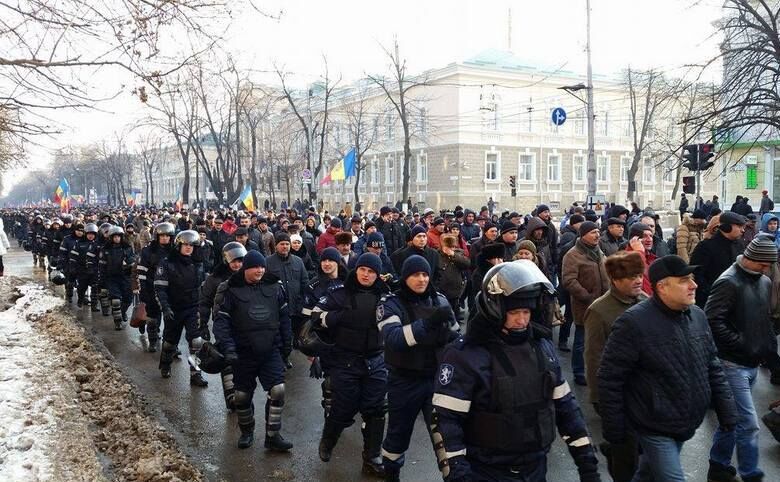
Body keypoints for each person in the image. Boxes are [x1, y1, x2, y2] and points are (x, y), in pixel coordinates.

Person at [431, 261, 602, 482]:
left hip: (536, 468)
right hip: (485, 471)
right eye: (513, 312)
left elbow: (566, 408)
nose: (522, 320)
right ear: (495, 309)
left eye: (526, 311)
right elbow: (446, 421)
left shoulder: (541, 347)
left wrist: (587, 463)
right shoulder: (466, 354)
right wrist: (458, 472)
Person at [598, 256, 737, 482]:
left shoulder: (698, 316)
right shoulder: (633, 323)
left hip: (685, 419)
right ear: (662, 287)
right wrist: (615, 428)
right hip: (653, 423)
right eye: (684, 280)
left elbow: (713, 365)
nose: (694, 285)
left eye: (691, 279)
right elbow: (609, 378)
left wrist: (726, 409)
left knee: (647, 474)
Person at [378, 255, 458, 480]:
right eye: (415, 275)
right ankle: (392, 475)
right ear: (405, 277)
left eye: (425, 274)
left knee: (445, 437)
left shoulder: (440, 300)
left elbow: (456, 339)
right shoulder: (391, 303)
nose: (421, 279)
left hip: (437, 380)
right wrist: (429, 324)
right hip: (404, 381)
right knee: (397, 437)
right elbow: (393, 339)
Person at [705, 237, 778, 482]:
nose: (767, 269)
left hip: (752, 361)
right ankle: (751, 473)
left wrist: (767, 350)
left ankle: (718, 464)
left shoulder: (764, 281)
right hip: (731, 363)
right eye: (764, 264)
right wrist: (743, 343)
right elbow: (713, 320)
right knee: (749, 424)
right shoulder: (728, 282)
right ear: (752, 258)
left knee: (732, 419)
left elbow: (763, 319)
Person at [313, 253, 391, 477]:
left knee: (376, 410)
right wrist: (339, 317)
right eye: (363, 270)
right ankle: (328, 440)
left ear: (378, 274)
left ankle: (372, 457)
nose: (367, 275)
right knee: (343, 408)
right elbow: (316, 317)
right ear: (356, 270)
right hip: (345, 360)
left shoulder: (384, 295)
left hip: (375, 360)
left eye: (372, 272)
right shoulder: (339, 293)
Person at [212, 250, 294, 451]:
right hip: (243, 352)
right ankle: (247, 432)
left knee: (278, 390)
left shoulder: (275, 287)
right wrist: (228, 347)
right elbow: (221, 322)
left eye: (262, 266)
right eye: (255, 267)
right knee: (241, 396)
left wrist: (287, 343)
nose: (259, 270)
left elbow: (284, 317)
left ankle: (273, 436)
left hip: (270, 350)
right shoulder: (230, 289)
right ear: (246, 268)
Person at [583, 251, 647, 482]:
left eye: (639, 274)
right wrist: (598, 396)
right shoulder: (600, 311)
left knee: (643, 448)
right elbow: (593, 356)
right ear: (615, 279)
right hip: (618, 393)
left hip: (645, 392)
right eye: (631, 277)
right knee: (627, 457)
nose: (638, 280)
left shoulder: (646, 302)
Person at [154, 230, 207, 385]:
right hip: (174, 308)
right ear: (179, 245)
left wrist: (203, 307)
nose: (189, 248)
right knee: (170, 342)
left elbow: (203, 286)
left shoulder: (198, 263)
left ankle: (195, 373)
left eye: (192, 245)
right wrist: (165, 307)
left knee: (196, 342)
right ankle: (165, 364)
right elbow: (160, 288)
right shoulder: (166, 263)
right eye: (186, 245)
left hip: (192, 308)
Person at [198, 241, 246, 410]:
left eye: (240, 261)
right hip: (223, 324)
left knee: (244, 362)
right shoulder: (214, 278)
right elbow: (204, 302)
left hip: (245, 325)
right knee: (227, 359)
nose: (237, 264)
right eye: (234, 261)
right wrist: (202, 323)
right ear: (226, 260)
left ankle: (242, 392)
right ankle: (231, 397)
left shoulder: (248, 275)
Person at [562, 221, 609, 386]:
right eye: (593, 232)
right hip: (585, 305)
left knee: (601, 341)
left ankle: (598, 370)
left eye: (598, 231)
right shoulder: (572, 255)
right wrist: (587, 296)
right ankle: (579, 372)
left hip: (603, 305)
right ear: (582, 235)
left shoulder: (599, 252)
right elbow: (569, 280)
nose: (597, 235)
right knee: (582, 341)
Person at [301, 247, 346, 420]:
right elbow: (306, 320)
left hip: (347, 338)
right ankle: (330, 414)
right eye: (324, 261)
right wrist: (310, 350)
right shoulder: (313, 285)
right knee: (330, 381)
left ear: (337, 262)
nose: (327, 264)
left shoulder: (348, 280)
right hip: (324, 340)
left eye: (331, 260)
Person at [265, 231, 308, 362]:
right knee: (279, 335)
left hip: (295, 306)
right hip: (276, 307)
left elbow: (304, 282)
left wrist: (302, 301)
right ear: (276, 246)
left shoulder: (298, 261)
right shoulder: (268, 262)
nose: (285, 247)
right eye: (282, 244)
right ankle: (281, 358)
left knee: (292, 334)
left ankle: (286, 355)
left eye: (287, 244)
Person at [690, 212, 747, 308]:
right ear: (726, 227)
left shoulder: (739, 245)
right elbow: (698, 274)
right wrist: (711, 293)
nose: (743, 230)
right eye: (739, 226)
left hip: (735, 300)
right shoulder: (705, 247)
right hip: (711, 302)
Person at [136, 222, 175, 352]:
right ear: (157, 236)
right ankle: (152, 340)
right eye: (162, 235)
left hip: (170, 288)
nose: (164, 238)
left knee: (171, 318)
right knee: (153, 316)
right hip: (151, 286)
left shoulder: (175, 251)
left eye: (167, 235)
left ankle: (171, 345)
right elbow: (141, 271)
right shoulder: (148, 251)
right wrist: (142, 289)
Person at [98, 226, 136, 330]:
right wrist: (102, 280)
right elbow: (102, 265)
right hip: (111, 278)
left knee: (128, 299)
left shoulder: (127, 247)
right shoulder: (105, 249)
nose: (116, 239)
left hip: (125, 277)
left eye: (118, 237)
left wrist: (128, 263)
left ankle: (122, 312)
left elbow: (133, 259)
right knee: (115, 300)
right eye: (114, 237)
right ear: (111, 238)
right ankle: (117, 322)